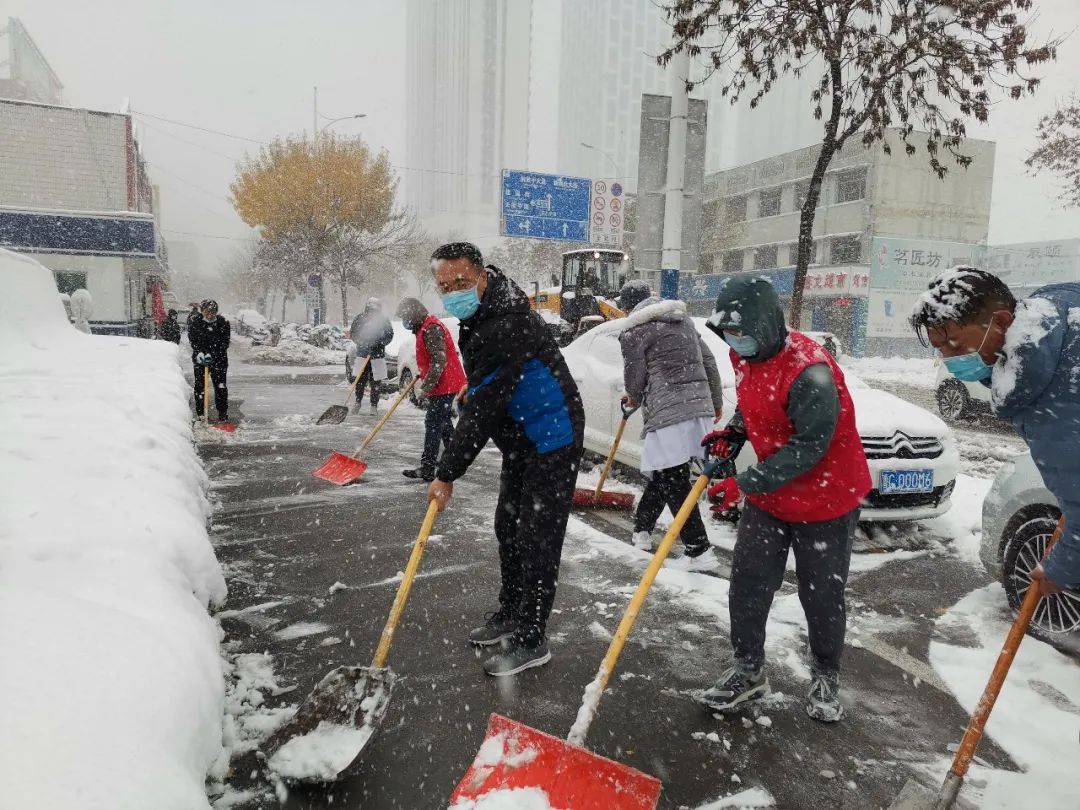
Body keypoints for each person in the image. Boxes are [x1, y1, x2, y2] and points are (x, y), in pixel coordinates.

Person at [697, 276, 870, 723]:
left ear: (768, 324)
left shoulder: (810, 371)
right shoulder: (745, 353)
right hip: (772, 495)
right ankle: (748, 669)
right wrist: (731, 437)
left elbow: (810, 448)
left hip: (825, 496)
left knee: (821, 594)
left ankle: (826, 674)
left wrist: (744, 483)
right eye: (729, 333)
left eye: (743, 332)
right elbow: (751, 403)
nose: (736, 342)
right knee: (749, 584)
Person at [425, 242, 585, 677]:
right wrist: (474, 384)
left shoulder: (506, 321)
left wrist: (446, 473)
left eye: (460, 282)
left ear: (480, 276)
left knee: (537, 537)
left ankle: (533, 638)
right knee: (507, 524)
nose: (453, 291)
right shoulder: (483, 311)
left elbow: (482, 412)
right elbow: (492, 380)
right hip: (521, 438)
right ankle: (512, 612)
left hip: (552, 437)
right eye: (444, 286)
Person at [910, 266, 1080, 595]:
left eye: (956, 346)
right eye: (940, 349)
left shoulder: (1053, 398)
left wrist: (1059, 572)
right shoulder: (1063, 313)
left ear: (1001, 321)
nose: (948, 359)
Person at [615, 283, 725, 571]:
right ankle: (642, 529)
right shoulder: (681, 320)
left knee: (671, 478)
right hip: (697, 406)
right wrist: (713, 400)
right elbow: (709, 360)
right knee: (666, 472)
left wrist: (634, 396)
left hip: (669, 409)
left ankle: (698, 549)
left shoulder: (633, 330)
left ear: (628, 307)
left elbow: (634, 374)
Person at [396, 298, 467, 482]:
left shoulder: (431, 327)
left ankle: (428, 467)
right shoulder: (424, 327)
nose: (404, 321)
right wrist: (424, 373)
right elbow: (431, 358)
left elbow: (439, 360)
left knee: (433, 423)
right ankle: (454, 460)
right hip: (444, 382)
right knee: (442, 423)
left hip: (445, 383)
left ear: (413, 314)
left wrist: (426, 387)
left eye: (405, 317)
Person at [189, 299, 231, 423]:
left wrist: (214, 355)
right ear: (202, 311)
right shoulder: (195, 323)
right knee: (200, 387)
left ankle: (222, 413)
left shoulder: (223, 323)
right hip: (200, 362)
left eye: (213, 312)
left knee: (220, 387)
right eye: (207, 312)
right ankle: (201, 414)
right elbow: (193, 341)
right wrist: (200, 353)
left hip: (219, 361)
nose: (210, 314)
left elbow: (225, 342)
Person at [349, 297, 394, 411]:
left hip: (377, 356)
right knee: (360, 380)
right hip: (362, 355)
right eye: (370, 309)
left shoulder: (383, 320)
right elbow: (354, 333)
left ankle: (374, 405)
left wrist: (379, 342)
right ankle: (358, 402)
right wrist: (362, 342)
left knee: (376, 383)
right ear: (367, 308)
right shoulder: (360, 318)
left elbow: (389, 335)